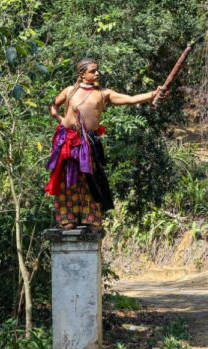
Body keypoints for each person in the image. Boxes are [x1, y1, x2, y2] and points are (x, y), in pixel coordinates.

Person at [44, 58, 166, 231]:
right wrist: (61, 119)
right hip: (68, 141)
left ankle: (92, 218)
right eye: (92, 71)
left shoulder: (103, 93)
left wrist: (153, 94)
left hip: (89, 142)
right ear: (82, 74)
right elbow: (53, 105)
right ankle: (67, 218)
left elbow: (130, 99)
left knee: (91, 180)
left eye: (97, 70)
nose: (97, 73)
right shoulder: (70, 91)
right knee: (67, 179)